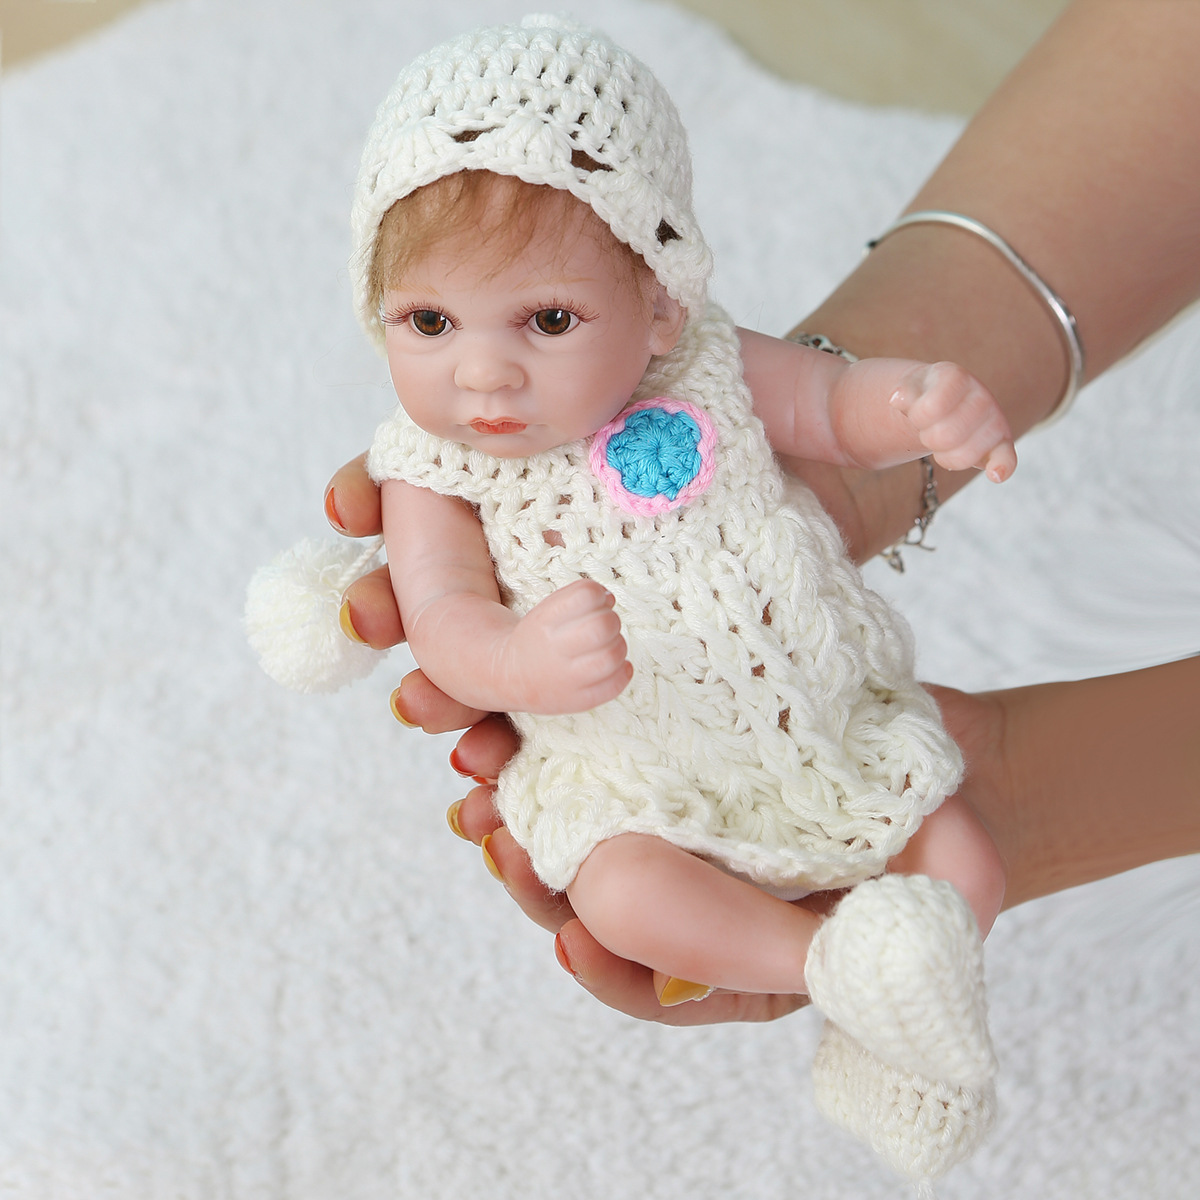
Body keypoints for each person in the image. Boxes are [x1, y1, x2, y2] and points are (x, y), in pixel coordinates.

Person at [325, 0, 1200, 1028]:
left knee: (960, 844)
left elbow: (832, 407)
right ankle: (825, 962)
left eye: (549, 319)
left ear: (660, 307)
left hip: (820, 725)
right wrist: (516, 663)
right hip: (632, 776)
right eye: (429, 320)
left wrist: (916, 403)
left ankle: (912, 969)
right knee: (622, 894)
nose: (482, 371)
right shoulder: (432, 469)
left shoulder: (710, 369)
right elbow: (442, 614)